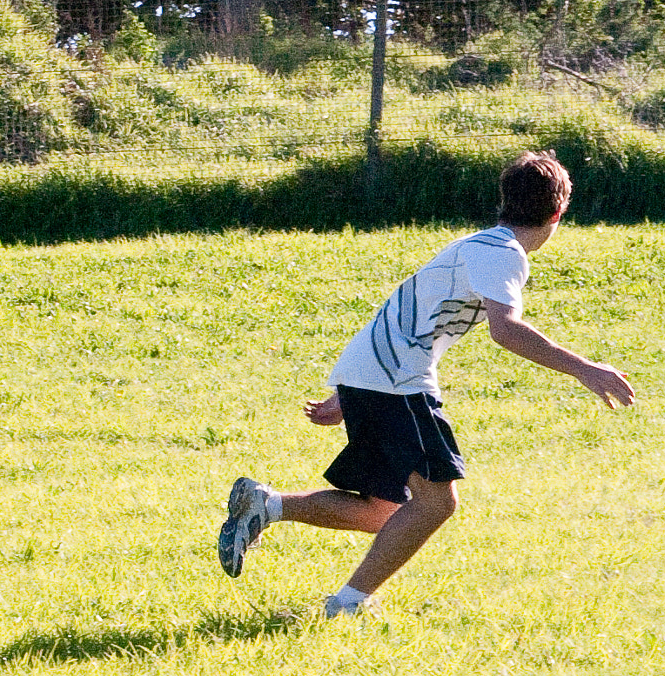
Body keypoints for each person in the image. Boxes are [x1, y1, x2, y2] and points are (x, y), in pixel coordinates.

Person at [217, 150, 635, 616]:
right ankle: (346, 605)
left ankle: (266, 505)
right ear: (557, 214)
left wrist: (351, 387)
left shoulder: (476, 244)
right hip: (398, 379)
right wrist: (584, 368)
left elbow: (407, 303)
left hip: (375, 371)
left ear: (505, 201)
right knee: (436, 504)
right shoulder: (503, 254)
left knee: (383, 510)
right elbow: (506, 329)